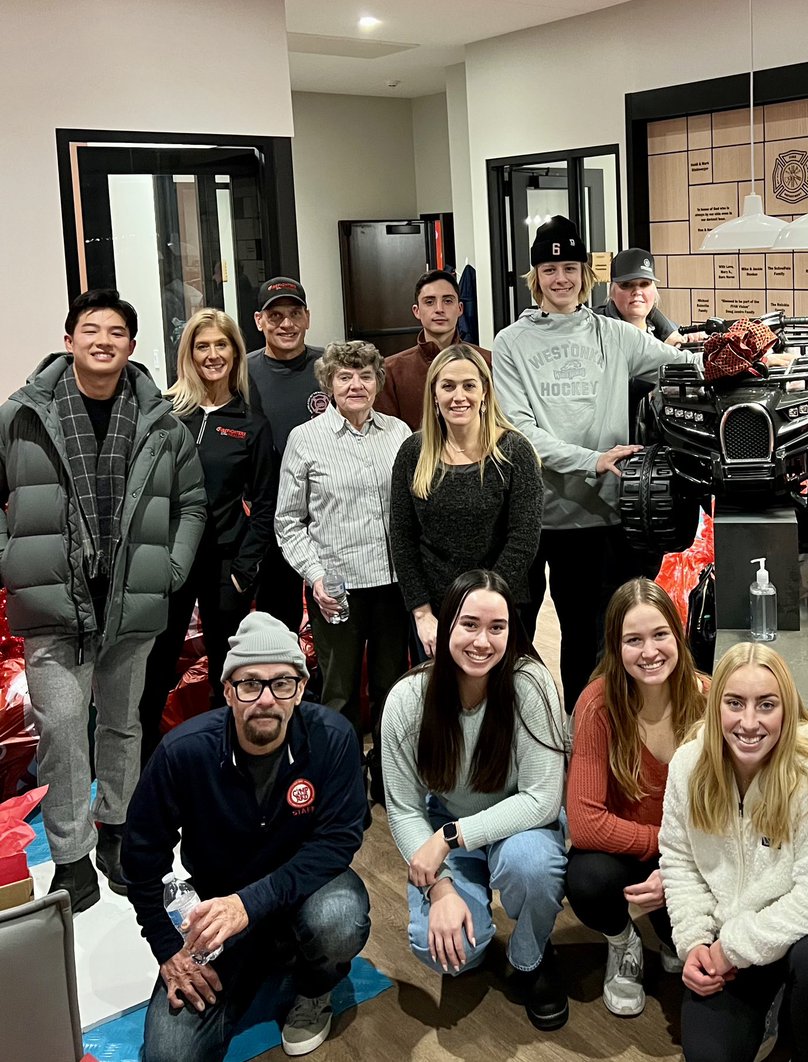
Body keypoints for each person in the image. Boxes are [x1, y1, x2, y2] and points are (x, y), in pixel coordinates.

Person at [0, 289, 206, 913]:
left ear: (132, 346)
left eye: (116, 332)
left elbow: (191, 501)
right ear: (69, 340)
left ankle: (116, 833)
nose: (103, 340)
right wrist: (11, 560)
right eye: (90, 329)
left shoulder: (162, 424)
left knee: (122, 723)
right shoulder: (22, 415)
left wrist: (169, 567)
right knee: (61, 731)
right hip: (53, 606)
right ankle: (70, 857)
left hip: (130, 602)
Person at [123, 612, 370, 1060]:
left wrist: (250, 904)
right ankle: (267, 962)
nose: (266, 700)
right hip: (219, 915)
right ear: (228, 691)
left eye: (282, 683)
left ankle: (315, 989)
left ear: (300, 688)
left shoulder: (334, 739)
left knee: (340, 916)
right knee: (168, 1055)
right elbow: (140, 861)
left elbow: (338, 841)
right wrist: (167, 947)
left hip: (304, 891)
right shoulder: (184, 752)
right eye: (250, 683)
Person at [491, 215, 707, 710]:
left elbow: (681, 365)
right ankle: (547, 734)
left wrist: (743, 356)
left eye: (570, 267)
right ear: (535, 277)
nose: (561, 278)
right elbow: (519, 430)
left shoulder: (615, 336)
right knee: (525, 637)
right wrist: (592, 459)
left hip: (602, 514)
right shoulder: (510, 344)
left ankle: (594, 736)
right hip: (539, 513)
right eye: (550, 269)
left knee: (591, 638)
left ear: (586, 274)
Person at [659, 641, 808, 1062]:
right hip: (727, 937)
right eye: (735, 703)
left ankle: (803, 1047)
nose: (749, 722)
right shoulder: (687, 766)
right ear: (716, 706)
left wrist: (729, 948)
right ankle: (768, 1011)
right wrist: (694, 942)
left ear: (786, 711)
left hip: (801, 936)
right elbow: (679, 861)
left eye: (766, 705)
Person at [380, 569, 569, 1030]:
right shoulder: (408, 699)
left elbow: (542, 799)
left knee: (533, 867)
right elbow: (404, 809)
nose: (482, 641)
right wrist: (440, 887)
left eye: (497, 628)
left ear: (511, 631)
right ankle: (475, 920)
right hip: (448, 817)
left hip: (520, 823)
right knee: (444, 951)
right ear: (446, 626)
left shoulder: (532, 685)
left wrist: (450, 838)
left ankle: (531, 956)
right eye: (469, 624)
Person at [137, 308, 276, 764]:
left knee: (226, 670)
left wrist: (244, 569)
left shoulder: (251, 425)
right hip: (168, 561)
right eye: (202, 346)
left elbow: (265, 504)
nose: (212, 355)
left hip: (224, 565)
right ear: (188, 354)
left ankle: (223, 762)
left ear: (236, 353)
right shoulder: (164, 414)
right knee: (155, 668)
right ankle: (140, 768)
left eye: (221, 345)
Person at [565, 578, 708, 1017]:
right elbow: (585, 822)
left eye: (660, 635)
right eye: (633, 640)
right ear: (615, 647)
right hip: (628, 849)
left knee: (690, 941)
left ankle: (671, 932)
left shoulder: (709, 700)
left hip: (695, 855)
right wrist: (661, 849)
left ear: (678, 636)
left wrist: (678, 866)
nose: (649, 652)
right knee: (585, 880)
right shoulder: (597, 704)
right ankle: (622, 940)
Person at [276, 340, 412, 792]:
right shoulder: (305, 439)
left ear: (378, 382)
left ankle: (389, 777)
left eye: (365, 376)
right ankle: (342, 778)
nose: (356, 385)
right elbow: (288, 523)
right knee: (339, 690)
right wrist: (314, 576)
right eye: (344, 377)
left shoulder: (398, 433)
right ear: (329, 384)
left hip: (393, 586)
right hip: (336, 589)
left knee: (393, 687)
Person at [390, 345, 543, 657]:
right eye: (448, 386)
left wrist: (483, 607)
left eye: (469, 385)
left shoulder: (515, 451)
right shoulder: (412, 453)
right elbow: (402, 537)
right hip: (436, 612)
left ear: (484, 392)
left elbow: (524, 537)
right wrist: (422, 614)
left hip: (501, 604)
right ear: (434, 395)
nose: (458, 396)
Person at [247, 277, 325, 632]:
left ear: (308, 317)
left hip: (328, 514)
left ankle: (324, 689)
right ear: (259, 321)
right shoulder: (242, 372)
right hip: (271, 516)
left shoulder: (332, 368)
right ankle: (282, 685)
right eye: (275, 315)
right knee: (278, 619)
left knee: (332, 617)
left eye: (295, 313)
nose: (287, 324)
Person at [375, 269, 491, 429]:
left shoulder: (487, 362)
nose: (439, 309)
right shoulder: (391, 371)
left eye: (448, 301)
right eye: (429, 302)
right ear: (416, 311)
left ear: (460, 308)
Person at [599, 248, 686, 346]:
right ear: (612, 292)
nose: (637, 292)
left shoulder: (674, 333)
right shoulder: (594, 329)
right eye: (626, 285)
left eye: (644, 284)